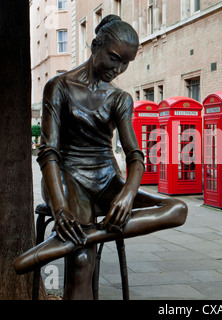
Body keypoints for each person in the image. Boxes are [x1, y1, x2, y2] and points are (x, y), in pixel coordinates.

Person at [13, 15, 187, 299]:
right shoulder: (59, 87)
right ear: (96, 45)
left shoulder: (120, 98)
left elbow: (135, 155)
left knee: (177, 209)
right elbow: (49, 153)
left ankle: (83, 236)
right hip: (67, 178)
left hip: (106, 179)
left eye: (126, 63)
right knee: (82, 260)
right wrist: (59, 208)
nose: (118, 69)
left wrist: (128, 194)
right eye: (115, 58)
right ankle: (80, 239)